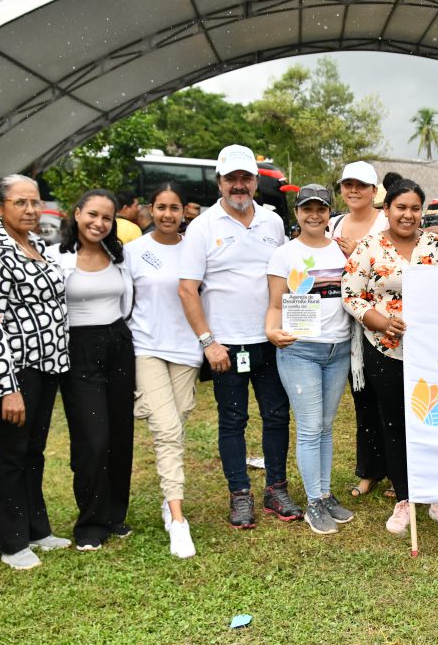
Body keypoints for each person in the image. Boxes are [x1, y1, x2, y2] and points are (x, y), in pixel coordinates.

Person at [178, 144, 301, 529]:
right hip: (226, 347)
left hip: (269, 339)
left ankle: (275, 489)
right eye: (231, 178)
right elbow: (187, 289)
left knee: (277, 416)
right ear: (219, 182)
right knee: (233, 420)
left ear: (254, 180)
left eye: (245, 178)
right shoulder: (202, 227)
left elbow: (285, 276)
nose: (238, 185)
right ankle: (240, 495)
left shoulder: (273, 222)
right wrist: (208, 342)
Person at [342, 179, 438, 535]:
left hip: (432, 354)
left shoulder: (437, 246)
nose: (408, 215)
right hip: (385, 351)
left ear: (421, 212)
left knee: (435, 420)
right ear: (387, 210)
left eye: (414, 208)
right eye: (401, 208)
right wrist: (379, 321)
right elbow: (351, 294)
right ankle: (405, 498)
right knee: (394, 423)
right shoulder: (369, 247)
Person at [0, 174, 71, 570]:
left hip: (46, 368)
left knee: (33, 450)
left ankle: (36, 528)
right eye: (20, 203)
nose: (30, 210)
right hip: (15, 371)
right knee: (11, 453)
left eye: (35, 202)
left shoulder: (36, 247)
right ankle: (10, 541)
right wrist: (7, 387)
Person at [47, 189, 135, 551]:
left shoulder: (119, 255)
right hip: (77, 349)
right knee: (92, 439)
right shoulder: (56, 256)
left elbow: (129, 301)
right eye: (92, 215)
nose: (99, 223)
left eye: (107, 218)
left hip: (117, 343)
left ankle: (114, 514)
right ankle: (90, 522)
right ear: (77, 213)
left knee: (119, 435)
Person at [266, 184, 354, 535]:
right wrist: (272, 330)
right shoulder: (284, 254)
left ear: (329, 212)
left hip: (338, 349)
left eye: (321, 208)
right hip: (300, 349)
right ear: (297, 213)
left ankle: (326, 492)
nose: (314, 215)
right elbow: (274, 304)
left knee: (326, 426)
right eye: (307, 209)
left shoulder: (342, 252)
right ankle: (314, 502)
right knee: (309, 426)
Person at [124, 182, 201, 558]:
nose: (168, 214)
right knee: (168, 430)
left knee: (176, 421)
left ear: (185, 211)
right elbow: (124, 301)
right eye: (161, 207)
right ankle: (177, 519)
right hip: (147, 347)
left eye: (175, 207)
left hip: (187, 350)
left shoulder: (195, 248)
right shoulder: (134, 251)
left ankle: (144, 407)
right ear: (149, 210)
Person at [327, 161, 392, 500]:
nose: (353, 191)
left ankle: (398, 473)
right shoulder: (334, 223)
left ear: (373, 190)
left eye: (361, 185)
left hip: (385, 325)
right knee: (363, 400)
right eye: (347, 185)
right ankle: (369, 471)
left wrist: (359, 256)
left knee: (390, 402)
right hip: (348, 326)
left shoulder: (386, 221)